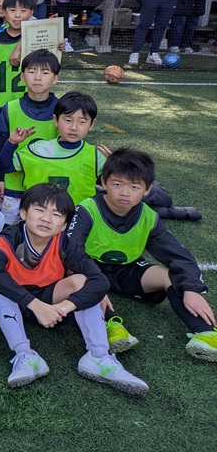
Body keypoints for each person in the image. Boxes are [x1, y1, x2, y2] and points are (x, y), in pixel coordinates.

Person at [0, 184, 148, 394]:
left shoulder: (64, 242)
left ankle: (98, 356)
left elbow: (99, 281)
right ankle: (25, 354)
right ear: (23, 212)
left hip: (50, 303)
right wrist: (36, 305)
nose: (46, 218)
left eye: (56, 214)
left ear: (63, 225)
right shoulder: (8, 238)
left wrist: (63, 307)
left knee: (82, 280)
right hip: (12, 302)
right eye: (40, 209)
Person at [67, 148, 216, 362]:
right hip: (89, 269)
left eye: (135, 187)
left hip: (126, 270)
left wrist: (191, 289)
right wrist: (94, 283)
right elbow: (72, 252)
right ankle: (111, 325)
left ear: (147, 190)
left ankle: (205, 333)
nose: (125, 193)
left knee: (171, 275)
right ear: (104, 182)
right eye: (117, 184)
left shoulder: (148, 216)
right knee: (76, 277)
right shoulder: (87, 209)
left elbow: (178, 255)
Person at [0, 91, 106, 206]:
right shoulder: (38, 149)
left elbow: (115, 183)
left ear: (92, 124)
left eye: (82, 122)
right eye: (68, 120)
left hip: (79, 216)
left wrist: (115, 164)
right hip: (39, 214)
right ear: (55, 120)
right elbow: (6, 167)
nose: (74, 127)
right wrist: (11, 143)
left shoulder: (96, 156)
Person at [0, 49, 60, 225]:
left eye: (45, 72)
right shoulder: (10, 108)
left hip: (48, 184)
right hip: (14, 183)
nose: (37, 77)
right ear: (22, 76)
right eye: (31, 71)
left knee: (44, 228)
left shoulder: (62, 110)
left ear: (55, 78)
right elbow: (0, 145)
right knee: (8, 229)